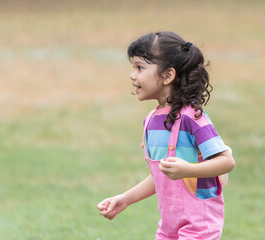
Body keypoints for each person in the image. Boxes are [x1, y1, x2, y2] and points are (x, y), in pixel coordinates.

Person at [97, 31, 235, 240]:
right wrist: (125, 199)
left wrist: (188, 170)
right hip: (169, 226)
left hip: (199, 225)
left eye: (140, 67)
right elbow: (161, 175)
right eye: (133, 67)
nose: (132, 75)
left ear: (168, 76)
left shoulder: (193, 118)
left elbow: (226, 162)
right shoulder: (151, 122)